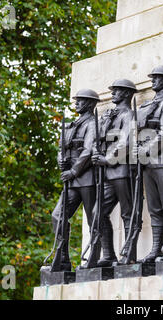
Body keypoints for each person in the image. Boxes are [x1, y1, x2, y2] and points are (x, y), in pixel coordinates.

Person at [51, 88, 99, 271]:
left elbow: (88, 151)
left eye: (80, 100)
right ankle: (62, 256)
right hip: (71, 180)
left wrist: (73, 171)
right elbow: (61, 148)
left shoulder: (92, 124)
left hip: (86, 178)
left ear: (89, 103)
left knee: (92, 219)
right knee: (57, 215)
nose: (76, 103)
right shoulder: (72, 124)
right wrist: (60, 161)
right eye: (77, 100)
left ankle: (95, 256)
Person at [133, 66, 163, 262]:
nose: (153, 81)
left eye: (157, 78)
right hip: (147, 163)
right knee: (154, 209)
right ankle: (156, 248)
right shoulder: (148, 104)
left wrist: (145, 150)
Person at [91, 79, 137, 266]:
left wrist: (107, 159)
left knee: (128, 213)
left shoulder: (129, 115)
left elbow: (125, 142)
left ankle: (129, 253)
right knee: (97, 212)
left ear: (126, 93)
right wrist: (95, 152)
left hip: (122, 170)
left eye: (117, 90)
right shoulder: (109, 116)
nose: (112, 93)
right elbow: (97, 138)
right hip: (108, 173)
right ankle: (108, 254)